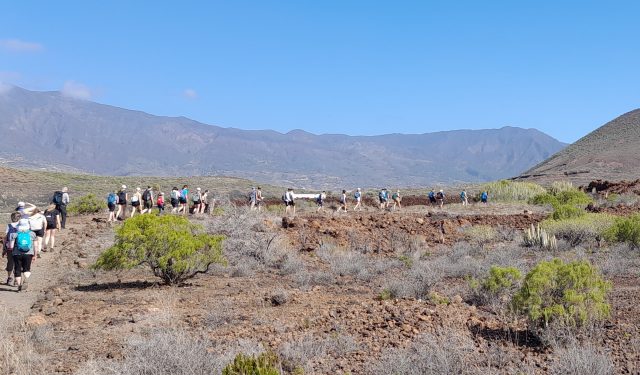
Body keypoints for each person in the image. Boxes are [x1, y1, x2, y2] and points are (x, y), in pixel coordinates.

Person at [12, 219, 37, 291]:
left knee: (17, 269)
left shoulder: (15, 234)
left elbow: (11, 246)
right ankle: (25, 280)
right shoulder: (32, 233)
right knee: (27, 268)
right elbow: (36, 246)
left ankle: (19, 285)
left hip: (16, 253)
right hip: (29, 253)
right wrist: (35, 255)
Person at [3, 212, 20, 285]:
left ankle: (9, 278)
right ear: (19, 218)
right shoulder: (21, 226)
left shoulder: (9, 226)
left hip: (10, 248)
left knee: (10, 263)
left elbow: (5, 237)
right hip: (19, 247)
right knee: (18, 263)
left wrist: (4, 248)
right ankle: (17, 279)